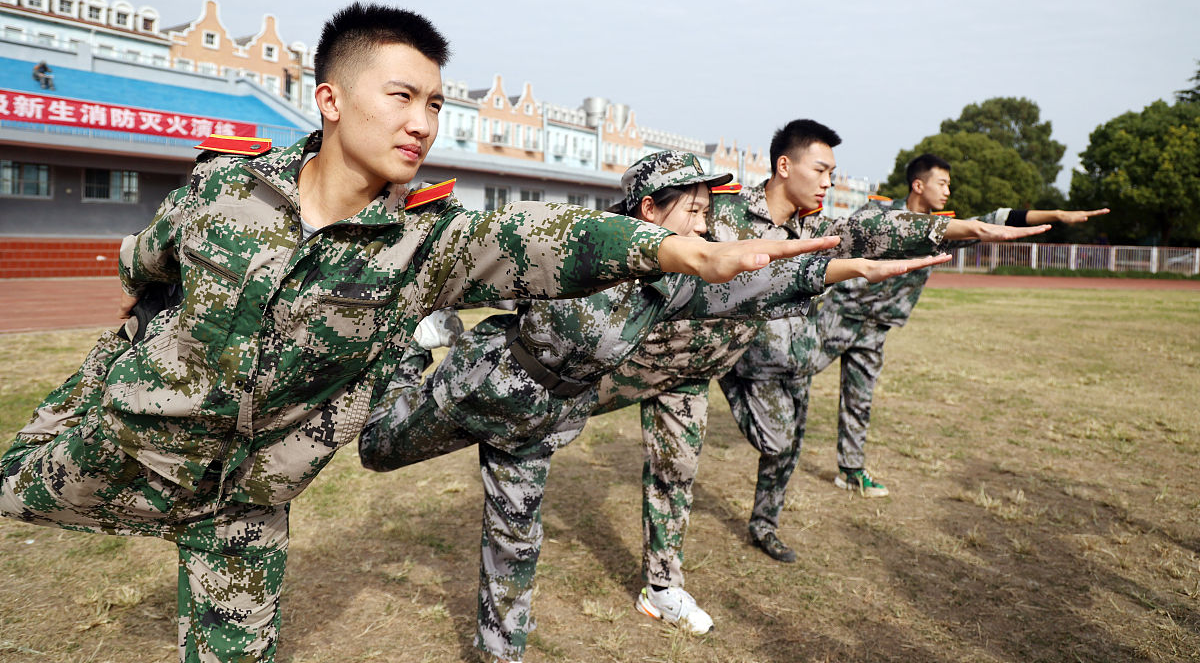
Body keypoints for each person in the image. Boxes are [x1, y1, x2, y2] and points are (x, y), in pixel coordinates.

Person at [0, 4, 814, 663]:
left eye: (435, 104)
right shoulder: (223, 190)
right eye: (401, 96)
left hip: (243, 503)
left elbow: (544, 238)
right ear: (330, 99)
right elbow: (145, 258)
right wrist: (132, 327)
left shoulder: (429, 245)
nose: (423, 121)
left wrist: (672, 249)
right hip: (130, 445)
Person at [358, 149, 952, 663]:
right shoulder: (575, 251)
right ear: (649, 210)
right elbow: (476, 262)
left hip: (543, 418)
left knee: (515, 544)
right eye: (694, 212)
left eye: (705, 211)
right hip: (480, 384)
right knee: (374, 449)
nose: (705, 223)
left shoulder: (671, 283)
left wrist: (850, 269)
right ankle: (413, 347)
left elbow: (758, 285)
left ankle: (500, 652)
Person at [591, 119, 1053, 626]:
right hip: (636, 352)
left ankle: (662, 587)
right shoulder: (721, 207)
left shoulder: (814, 231)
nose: (829, 180)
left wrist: (957, 227)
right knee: (542, 417)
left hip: (702, 371)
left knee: (677, 472)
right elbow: (633, 223)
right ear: (785, 166)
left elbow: (876, 228)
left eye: (834, 171)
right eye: (822, 169)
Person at [810, 153, 1109, 497]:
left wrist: (1056, 214)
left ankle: (850, 471)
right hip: (841, 315)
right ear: (918, 185)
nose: (948, 191)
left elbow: (995, 219)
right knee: (794, 371)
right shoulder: (878, 214)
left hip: (878, 327)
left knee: (859, 400)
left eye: (949, 184)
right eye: (942, 183)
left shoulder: (943, 231)